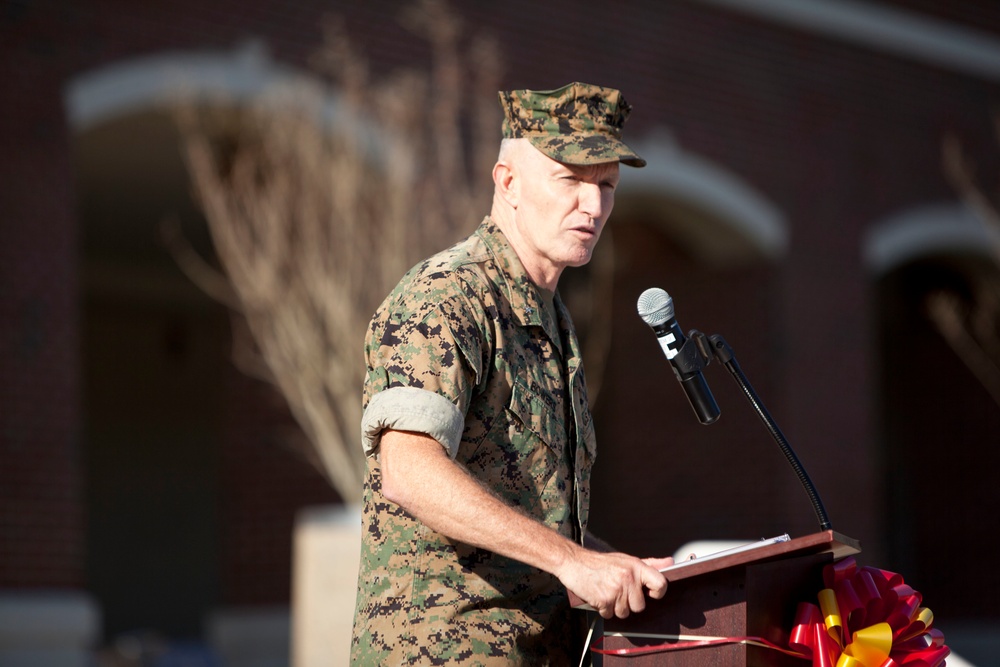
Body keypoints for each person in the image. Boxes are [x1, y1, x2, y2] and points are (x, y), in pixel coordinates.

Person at [351, 82, 672, 666]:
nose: (593, 206)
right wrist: (573, 561)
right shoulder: (446, 295)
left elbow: (534, 518)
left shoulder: (551, 319)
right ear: (508, 183)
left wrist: (610, 565)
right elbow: (407, 469)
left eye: (606, 187)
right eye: (570, 180)